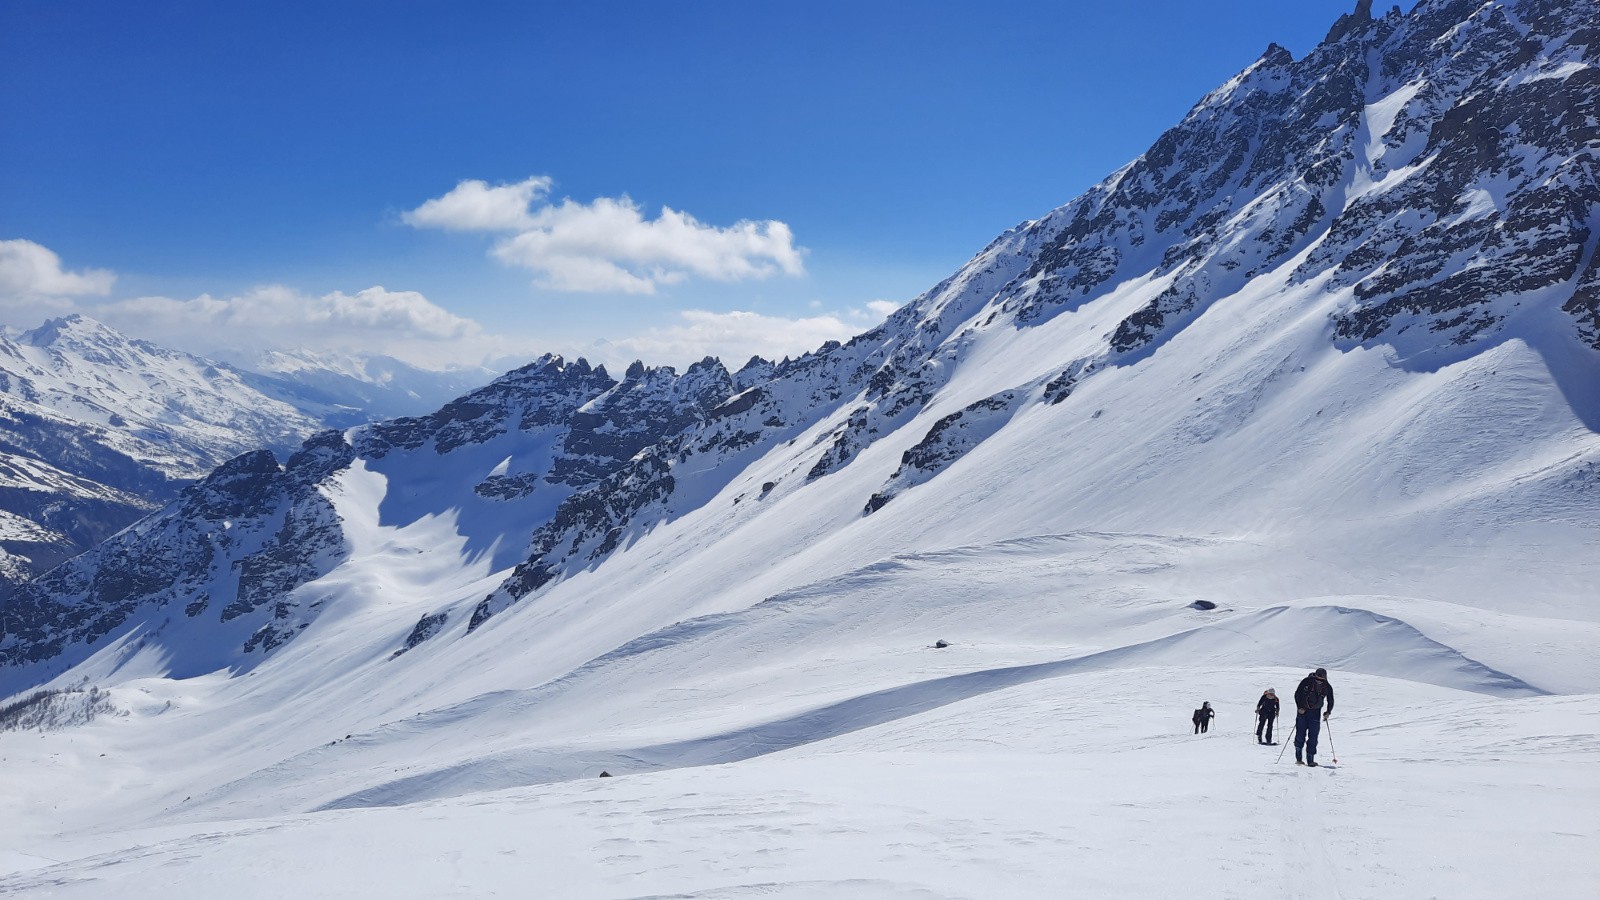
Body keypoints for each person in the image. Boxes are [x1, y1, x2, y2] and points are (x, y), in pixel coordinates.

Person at [1293, 668, 1335, 766]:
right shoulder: (1306, 681)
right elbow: (1297, 694)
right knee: (1300, 734)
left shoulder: (1327, 686)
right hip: (1303, 711)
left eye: (1321, 679)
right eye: (1317, 678)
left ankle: (1310, 759)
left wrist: (1328, 711)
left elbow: (1331, 700)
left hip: (1316, 712)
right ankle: (1299, 758)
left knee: (1313, 736)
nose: (1319, 680)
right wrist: (1299, 707)